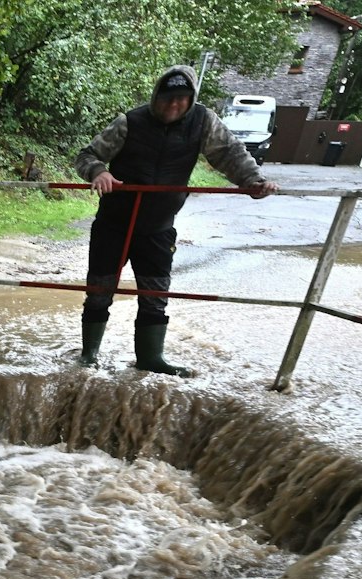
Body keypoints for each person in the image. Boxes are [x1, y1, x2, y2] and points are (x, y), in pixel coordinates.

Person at [73, 65, 277, 377]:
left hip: (158, 228)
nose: (173, 104)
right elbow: (87, 155)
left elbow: (230, 154)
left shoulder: (204, 122)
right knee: (99, 291)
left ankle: (150, 359)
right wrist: (98, 172)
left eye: (182, 98)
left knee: (156, 297)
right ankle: (89, 355)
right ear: (156, 96)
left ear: (191, 99)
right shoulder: (130, 121)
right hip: (113, 224)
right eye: (167, 97)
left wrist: (253, 181)